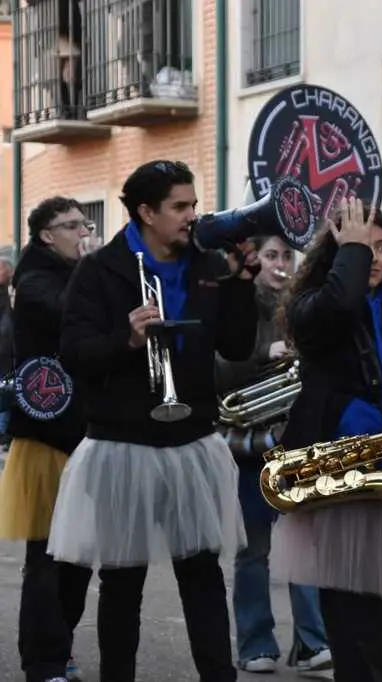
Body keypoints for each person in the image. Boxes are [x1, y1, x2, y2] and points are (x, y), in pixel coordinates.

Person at [47, 160, 257, 682]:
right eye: (180, 207)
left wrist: (241, 283)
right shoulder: (99, 270)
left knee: (203, 578)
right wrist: (126, 339)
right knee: (122, 584)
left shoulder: (208, 263)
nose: (193, 216)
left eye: (193, 204)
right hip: (123, 443)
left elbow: (235, 345)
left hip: (192, 441)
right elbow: (73, 352)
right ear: (146, 211)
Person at [269, 198, 382, 682]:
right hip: (344, 487)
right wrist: (352, 256)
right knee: (359, 653)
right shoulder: (312, 309)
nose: (375, 258)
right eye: (363, 248)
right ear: (338, 255)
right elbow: (338, 304)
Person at [214, 235, 331, 676]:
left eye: (286, 256)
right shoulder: (240, 300)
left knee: (303, 544)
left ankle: (311, 642)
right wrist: (266, 352)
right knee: (253, 548)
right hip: (251, 441)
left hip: (296, 438)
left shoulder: (303, 303)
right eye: (270, 256)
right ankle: (255, 643)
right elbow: (219, 366)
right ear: (254, 261)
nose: (280, 264)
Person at [0, 198, 95, 682]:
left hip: (79, 433)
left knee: (78, 558)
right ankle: (43, 661)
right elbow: (68, 311)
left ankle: (60, 646)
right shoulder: (35, 279)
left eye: (85, 222)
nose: (83, 232)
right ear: (46, 236)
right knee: (48, 558)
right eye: (73, 225)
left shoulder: (68, 272)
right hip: (46, 438)